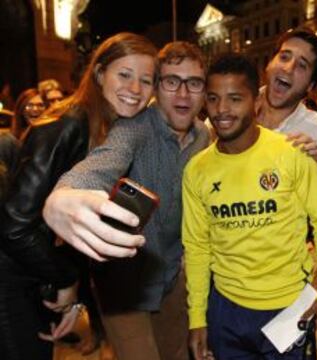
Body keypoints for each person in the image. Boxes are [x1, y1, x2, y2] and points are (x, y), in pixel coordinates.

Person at [43, 41, 209, 360]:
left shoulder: (203, 136)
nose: (184, 94)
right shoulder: (132, 129)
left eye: (195, 83)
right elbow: (101, 164)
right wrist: (63, 197)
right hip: (123, 287)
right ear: (157, 88)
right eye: (172, 81)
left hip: (174, 279)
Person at [0, 32, 158, 360]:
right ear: (100, 74)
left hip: (34, 277)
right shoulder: (66, 126)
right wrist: (67, 280)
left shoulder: (102, 125)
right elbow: (14, 226)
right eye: (124, 75)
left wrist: (69, 292)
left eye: (146, 80)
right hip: (11, 282)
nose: (135, 90)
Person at [182, 53, 317, 360]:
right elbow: (197, 246)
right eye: (213, 99)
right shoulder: (197, 170)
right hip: (225, 310)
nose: (222, 110)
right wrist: (198, 318)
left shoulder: (292, 153)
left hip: (289, 306)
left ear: (254, 102)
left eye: (234, 99)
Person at [257, 28, 317, 214]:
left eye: (302, 65)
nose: (288, 68)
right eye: (284, 57)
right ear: (269, 64)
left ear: (310, 86)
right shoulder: (235, 105)